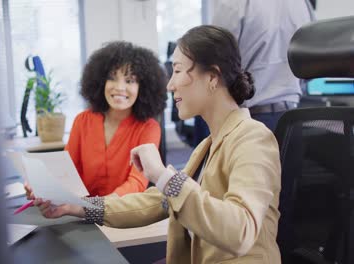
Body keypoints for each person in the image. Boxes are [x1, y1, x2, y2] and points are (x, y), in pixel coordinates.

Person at [26, 25, 281, 263]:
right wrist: (76, 207)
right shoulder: (207, 145)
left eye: (178, 71)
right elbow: (156, 201)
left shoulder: (252, 138)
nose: (170, 84)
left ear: (213, 77)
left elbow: (241, 232)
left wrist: (161, 175)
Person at [64, 41, 167, 197]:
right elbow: (67, 171)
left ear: (143, 87)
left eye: (130, 80)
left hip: (122, 215)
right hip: (79, 212)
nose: (119, 87)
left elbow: (137, 183)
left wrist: (98, 207)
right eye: (112, 78)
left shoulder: (148, 128)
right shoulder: (82, 121)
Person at [212, 0, 316, 131]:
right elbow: (312, 63)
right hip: (292, 121)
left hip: (249, 120)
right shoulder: (302, 3)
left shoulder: (234, 3)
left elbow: (213, 62)